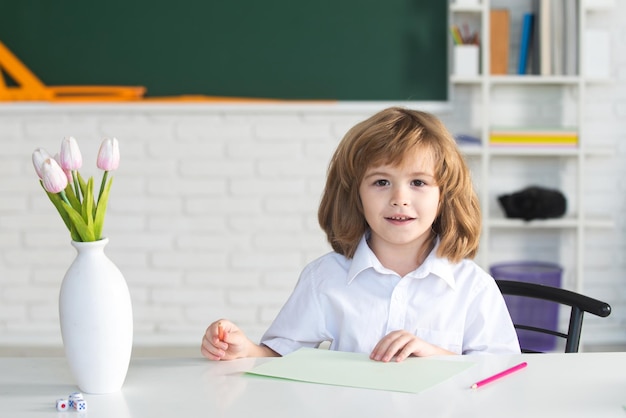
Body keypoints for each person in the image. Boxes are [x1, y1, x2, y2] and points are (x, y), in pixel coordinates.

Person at [201, 107, 520, 362]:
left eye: (418, 183)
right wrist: (244, 351)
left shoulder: (473, 287)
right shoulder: (325, 278)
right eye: (381, 182)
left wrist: (436, 356)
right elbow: (279, 355)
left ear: (445, 195)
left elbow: (503, 373)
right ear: (355, 195)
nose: (400, 198)